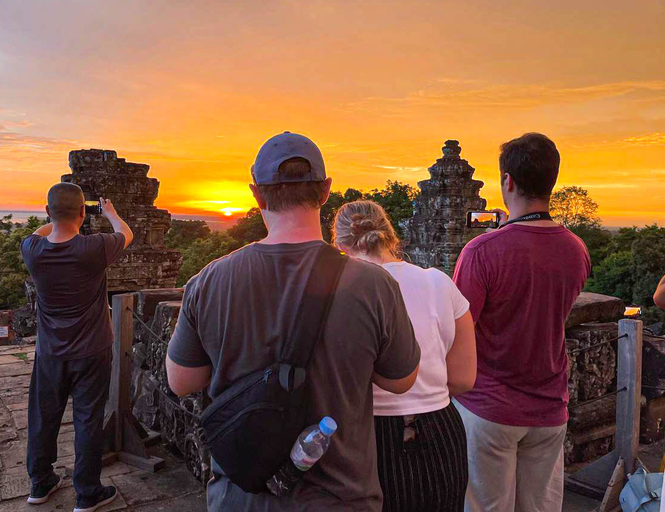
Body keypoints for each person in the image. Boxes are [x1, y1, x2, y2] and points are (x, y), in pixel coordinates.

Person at [166, 131, 421, 512]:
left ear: (257, 193)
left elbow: (181, 381)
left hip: (240, 497)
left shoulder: (210, 280)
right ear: (325, 191)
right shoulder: (373, 284)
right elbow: (401, 380)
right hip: (339, 497)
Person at [452, 133, 591, 512]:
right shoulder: (576, 250)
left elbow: (457, 330)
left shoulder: (481, 251)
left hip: (489, 407)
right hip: (549, 408)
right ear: (551, 181)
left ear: (507, 181)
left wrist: (496, 239)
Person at [334, 200, 476, 512]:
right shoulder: (437, 281)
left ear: (341, 246)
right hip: (441, 428)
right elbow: (464, 378)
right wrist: (422, 392)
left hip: (367, 434)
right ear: (390, 237)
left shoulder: (337, 289)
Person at [21, 183, 133, 512]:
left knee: (43, 417)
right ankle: (86, 492)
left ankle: (40, 483)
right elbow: (125, 234)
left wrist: (58, 217)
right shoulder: (93, 248)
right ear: (83, 214)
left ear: (46, 212)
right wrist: (110, 213)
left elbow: (41, 231)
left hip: (50, 352)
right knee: (87, 419)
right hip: (92, 349)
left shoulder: (32, 249)